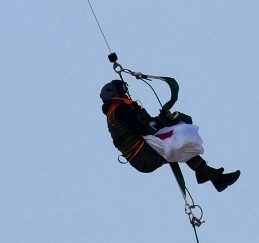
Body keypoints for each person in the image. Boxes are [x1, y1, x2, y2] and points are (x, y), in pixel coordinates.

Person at [101, 79, 240, 191]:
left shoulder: (119, 110)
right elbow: (143, 128)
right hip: (144, 155)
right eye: (122, 90)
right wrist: (163, 124)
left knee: (180, 135)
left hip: (143, 154)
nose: (126, 93)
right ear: (114, 93)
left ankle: (207, 174)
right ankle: (212, 177)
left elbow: (147, 125)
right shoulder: (120, 110)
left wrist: (162, 120)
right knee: (180, 139)